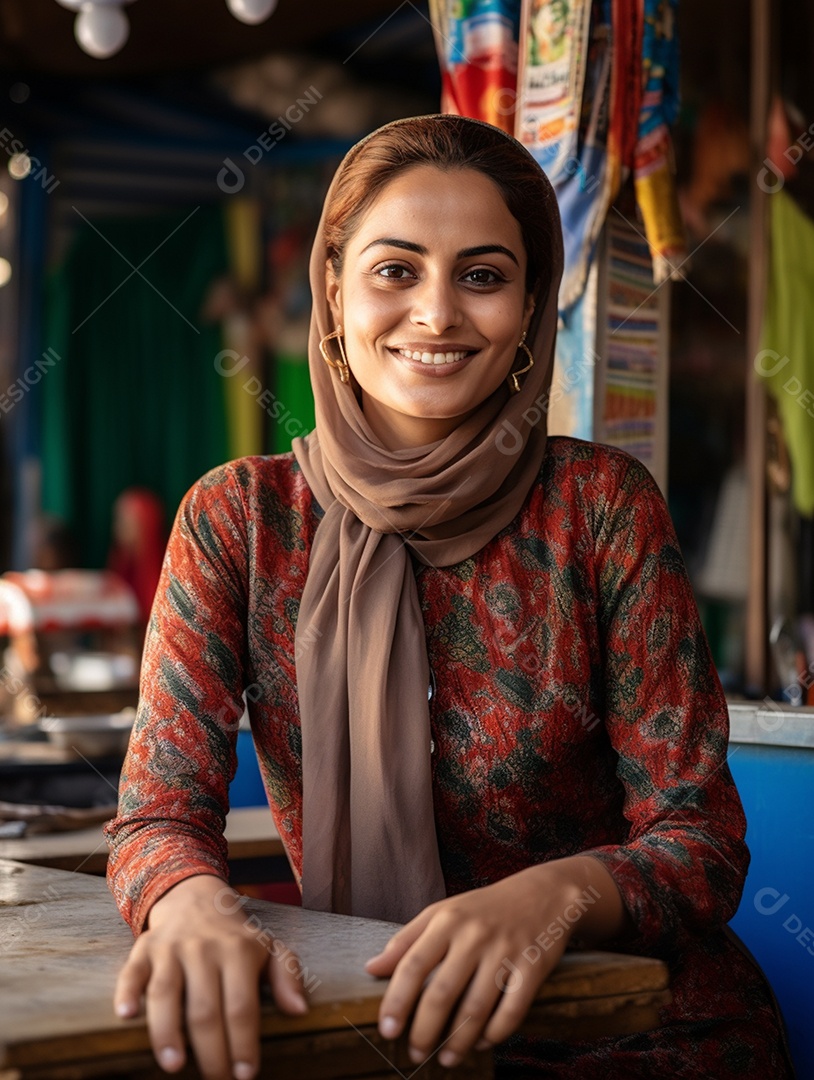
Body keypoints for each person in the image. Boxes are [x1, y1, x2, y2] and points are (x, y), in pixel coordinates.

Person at [105, 115, 794, 1080]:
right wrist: (193, 908)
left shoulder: (599, 506)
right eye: (395, 270)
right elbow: (156, 820)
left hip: (641, 1031)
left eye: (482, 275)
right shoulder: (241, 523)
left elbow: (703, 839)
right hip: (372, 1024)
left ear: (528, 306)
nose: (437, 314)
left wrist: (546, 901)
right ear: (332, 292)